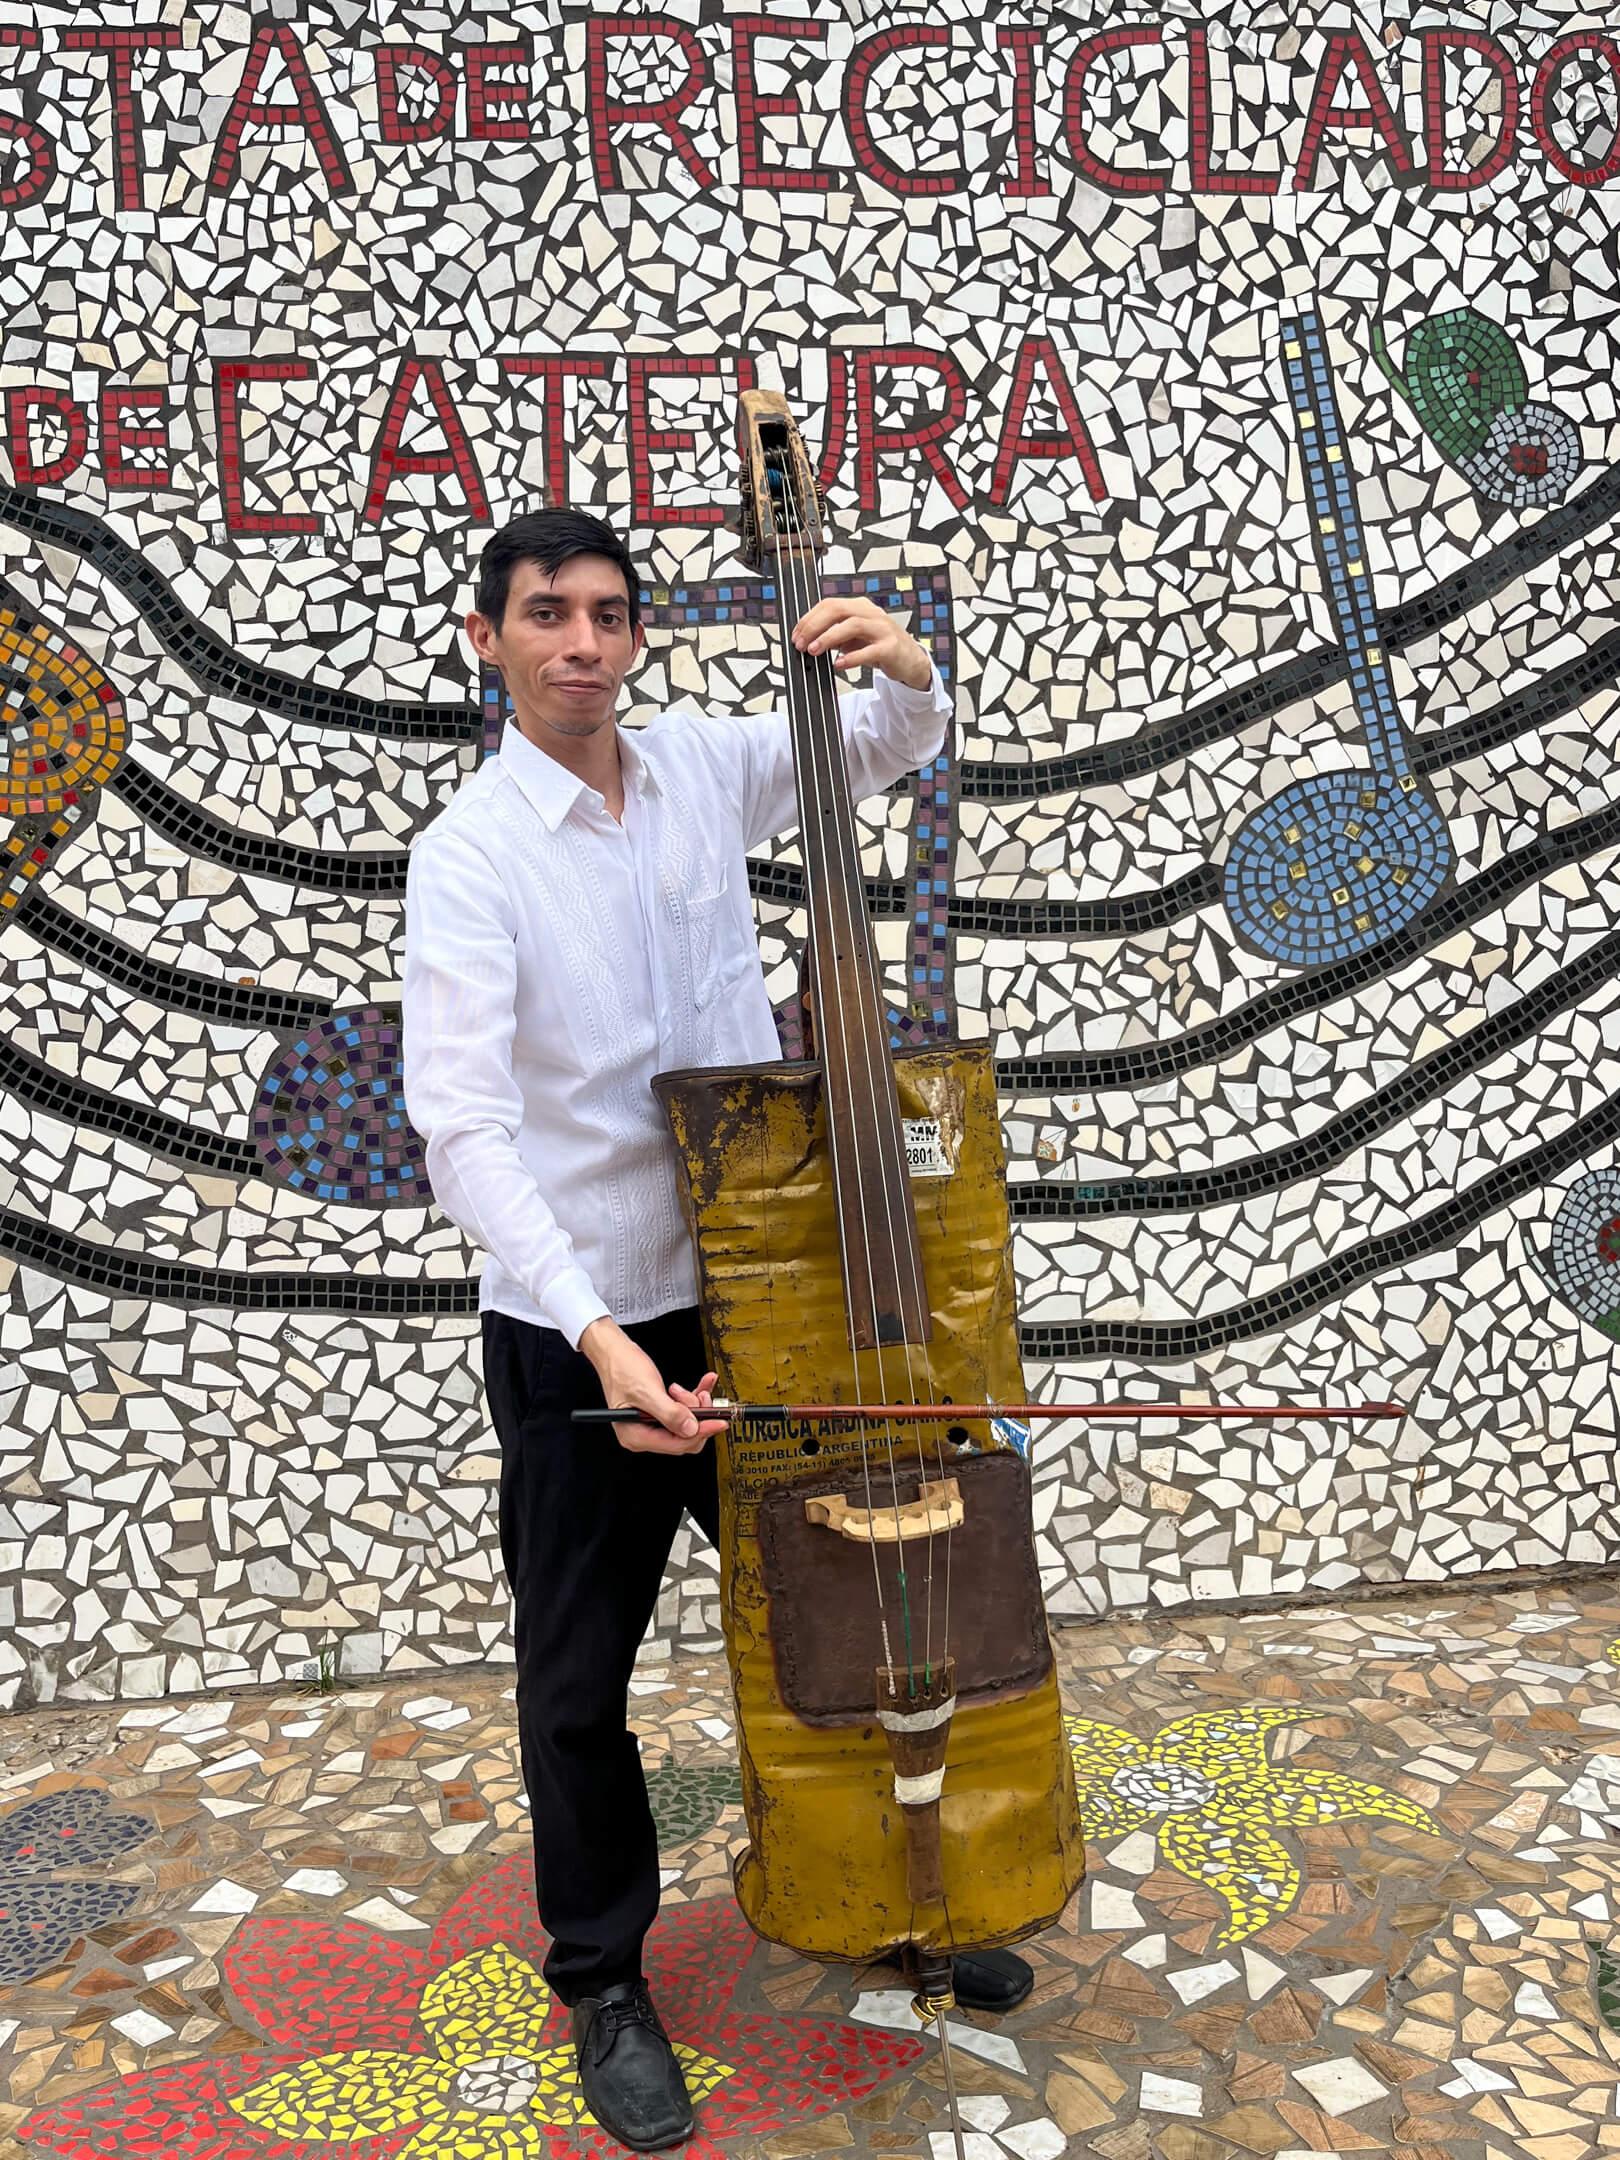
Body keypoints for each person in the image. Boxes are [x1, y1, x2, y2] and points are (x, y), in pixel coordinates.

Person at [402, 508, 1032, 2154]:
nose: (583, 643)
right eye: (548, 613)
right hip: (582, 1323)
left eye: (609, 613)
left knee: (850, 1616)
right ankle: (605, 1978)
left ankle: (892, 1894)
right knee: (578, 1677)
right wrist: (605, 1343)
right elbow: (463, 1132)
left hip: (764, 1302)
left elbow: (879, 744)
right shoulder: (472, 854)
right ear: (489, 637)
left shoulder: (696, 765)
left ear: (636, 633)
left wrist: (904, 664)